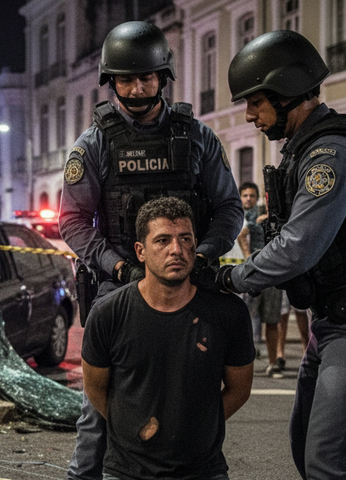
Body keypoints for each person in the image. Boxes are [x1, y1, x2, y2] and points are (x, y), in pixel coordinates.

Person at [211, 30, 346, 479]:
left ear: (286, 92)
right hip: (334, 321)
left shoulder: (333, 153)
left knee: (329, 463)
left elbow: (298, 247)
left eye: (255, 102)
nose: (249, 115)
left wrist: (229, 278)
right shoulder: (304, 150)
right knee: (306, 447)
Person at [58, 21, 243, 480]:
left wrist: (202, 255)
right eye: (126, 80)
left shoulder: (197, 137)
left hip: (188, 280)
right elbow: (73, 221)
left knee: (192, 394)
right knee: (96, 415)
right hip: (120, 283)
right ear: (112, 82)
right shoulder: (94, 143)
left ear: (163, 76)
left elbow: (228, 208)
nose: (137, 89)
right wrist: (120, 267)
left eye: (146, 78)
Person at [81, 197, 254, 480]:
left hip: (202, 470)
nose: (177, 250)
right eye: (162, 240)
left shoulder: (228, 312)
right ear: (140, 251)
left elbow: (239, 389)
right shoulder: (108, 313)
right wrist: (132, 427)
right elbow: (95, 389)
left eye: (185, 239)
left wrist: (195, 428)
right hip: (127, 471)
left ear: (195, 244)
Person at [236, 181, 284, 377]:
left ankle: (273, 363)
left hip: (270, 274)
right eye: (245, 195)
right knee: (246, 321)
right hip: (251, 274)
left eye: (252, 196)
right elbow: (241, 236)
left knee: (272, 320)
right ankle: (242, 365)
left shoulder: (267, 217)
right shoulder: (239, 216)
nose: (248, 199)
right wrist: (248, 255)